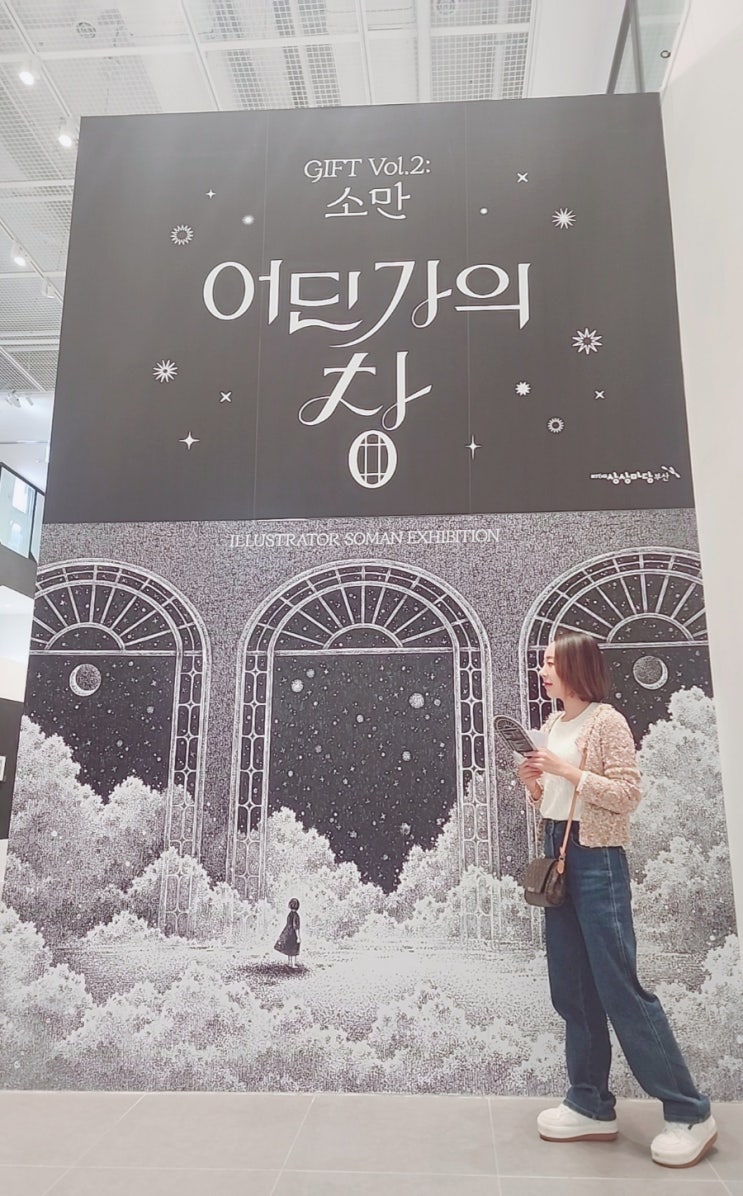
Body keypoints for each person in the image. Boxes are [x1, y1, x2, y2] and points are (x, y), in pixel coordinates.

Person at [516, 629, 716, 1169]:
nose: (543, 671)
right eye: (542, 663)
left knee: (619, 987)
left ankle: (690, 1111)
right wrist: (533, 781)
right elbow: (553, 800)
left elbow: (627, 795)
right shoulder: (554, 724)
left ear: (577, 667)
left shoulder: (607, 722)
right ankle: (589, 1103)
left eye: (551, 662)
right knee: (572, 989)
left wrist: (566, 770)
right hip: (558, 851)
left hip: (598, 859)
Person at [274, 897, 301, 968]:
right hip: (293, 934)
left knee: (289, 949)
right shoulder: (296, 915)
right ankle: (293, 964)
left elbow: (288, 924)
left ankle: (289, 963)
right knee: (294, 950)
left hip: (288, 933)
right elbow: (296, 927)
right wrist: (298, 937)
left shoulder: (290, 914)